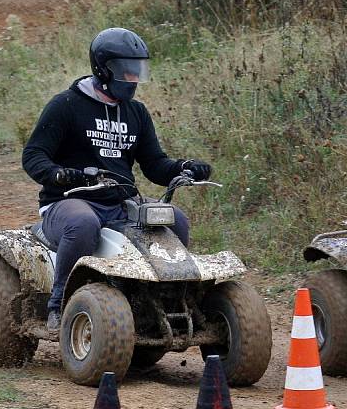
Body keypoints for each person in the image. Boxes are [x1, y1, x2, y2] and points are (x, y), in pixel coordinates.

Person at [22, 27, 212, 333]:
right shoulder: (66, 105)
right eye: (126, 71)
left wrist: (184, 168)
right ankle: (59, 305)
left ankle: (166, 303)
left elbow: (154, 165)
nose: (134, 78)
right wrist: (57, 174)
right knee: (83, 224)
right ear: (103, 69)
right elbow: (33, 156)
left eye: (137, 71)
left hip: (121, 203)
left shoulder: (136, 112)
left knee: (176, 220)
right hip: (69, 201)